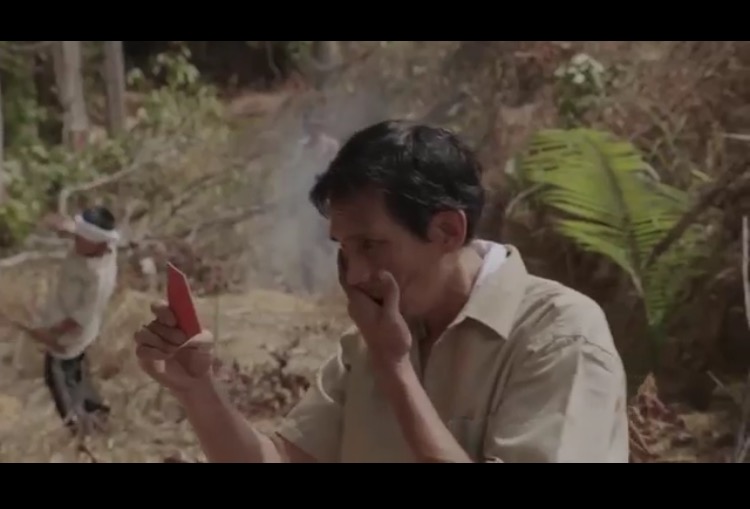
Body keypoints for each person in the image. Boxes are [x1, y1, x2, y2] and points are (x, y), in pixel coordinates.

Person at [133, 120, 629, 463]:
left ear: (447, 231)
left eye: (371, 245)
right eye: (344, 249)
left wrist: (396, 369)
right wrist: (198, 390)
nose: (353, 275)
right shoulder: (371, 342)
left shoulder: (560, 337)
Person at [32, 206, 119, 433]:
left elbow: (80, 319)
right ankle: (97, 412)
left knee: (59, 380)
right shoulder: (97, 245)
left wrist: (51, 334)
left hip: (69, 335)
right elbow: (73, 229)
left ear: (98, 243)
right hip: (70, 328)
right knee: (77, 374)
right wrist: (56, 224)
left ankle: (79, 428)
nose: (76, 240)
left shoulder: (98, 278)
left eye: (82, 238)